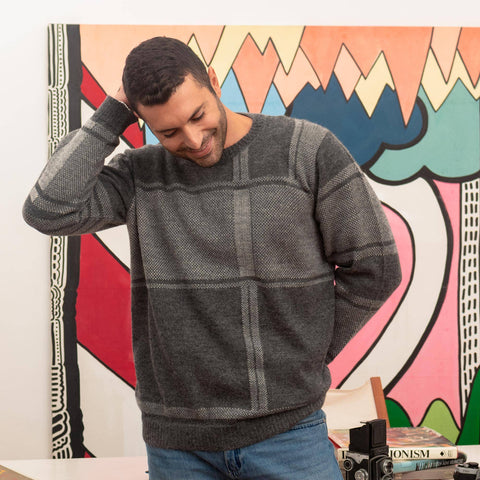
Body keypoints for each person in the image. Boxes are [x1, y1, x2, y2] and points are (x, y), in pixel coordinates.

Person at [23, 36, 401, 479]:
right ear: (141, 120)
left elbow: (376, 268)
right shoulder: (140, 174)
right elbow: (47, 210)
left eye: (198, 115)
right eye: (168, 132)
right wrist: (113, 112)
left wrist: (310, 351)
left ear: (214, 82)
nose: (194, 139)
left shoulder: (307, 150)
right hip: (178, 447)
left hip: (289, 434)